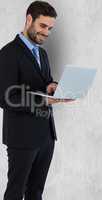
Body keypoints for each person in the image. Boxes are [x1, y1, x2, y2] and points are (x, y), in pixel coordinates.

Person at [0, 1, 72, 199]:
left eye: (50, 28)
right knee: (15, 192)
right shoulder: (8, 53)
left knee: (36, 192)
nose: (47, 32)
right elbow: (6, 98)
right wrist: (45, 102)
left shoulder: (42, 53)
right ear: (29, 19)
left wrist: (53, 87)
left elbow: (44, 83)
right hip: (22, 138)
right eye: (42, 26)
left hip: (46, 137)